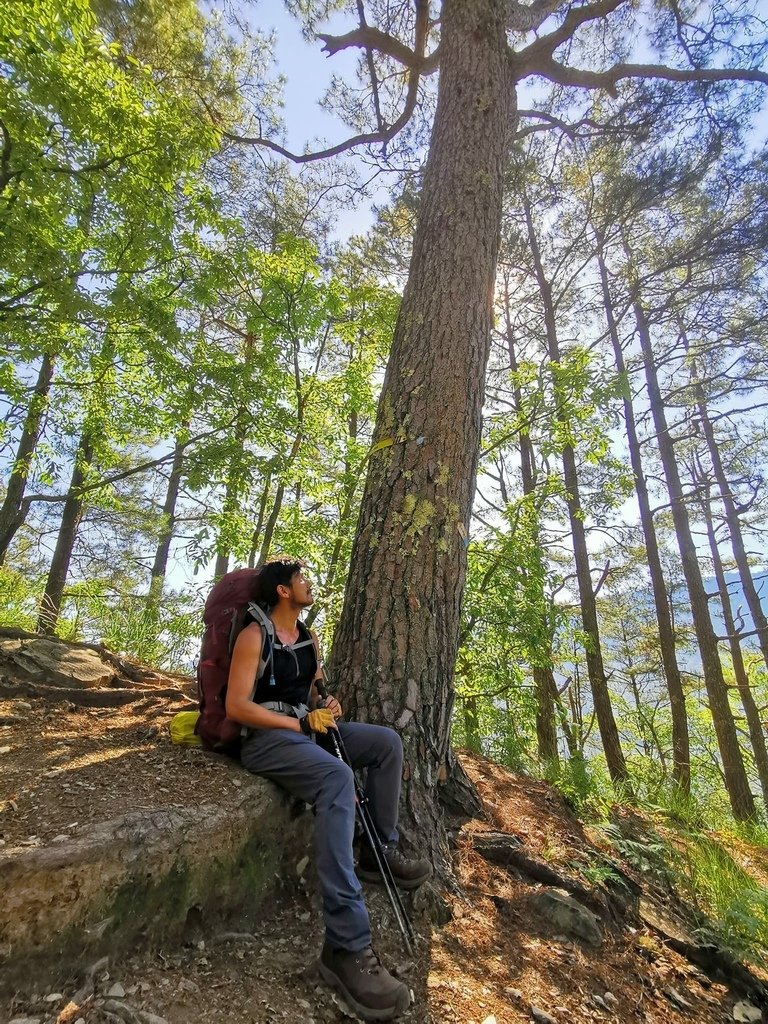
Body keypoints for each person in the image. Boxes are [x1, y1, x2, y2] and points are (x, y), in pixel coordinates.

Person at [225, 557, 431, 1022]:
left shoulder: (309, 639)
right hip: (267, 741)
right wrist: (298, 722)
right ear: (282, 590)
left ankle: (380, 848)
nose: (308, 584)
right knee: (338, 778)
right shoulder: (254, 637)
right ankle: (345, 944)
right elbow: (237, 706)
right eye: (302, 579)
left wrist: (325, 704)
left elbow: (315, 693)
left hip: (306, 730)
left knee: (385, 743)